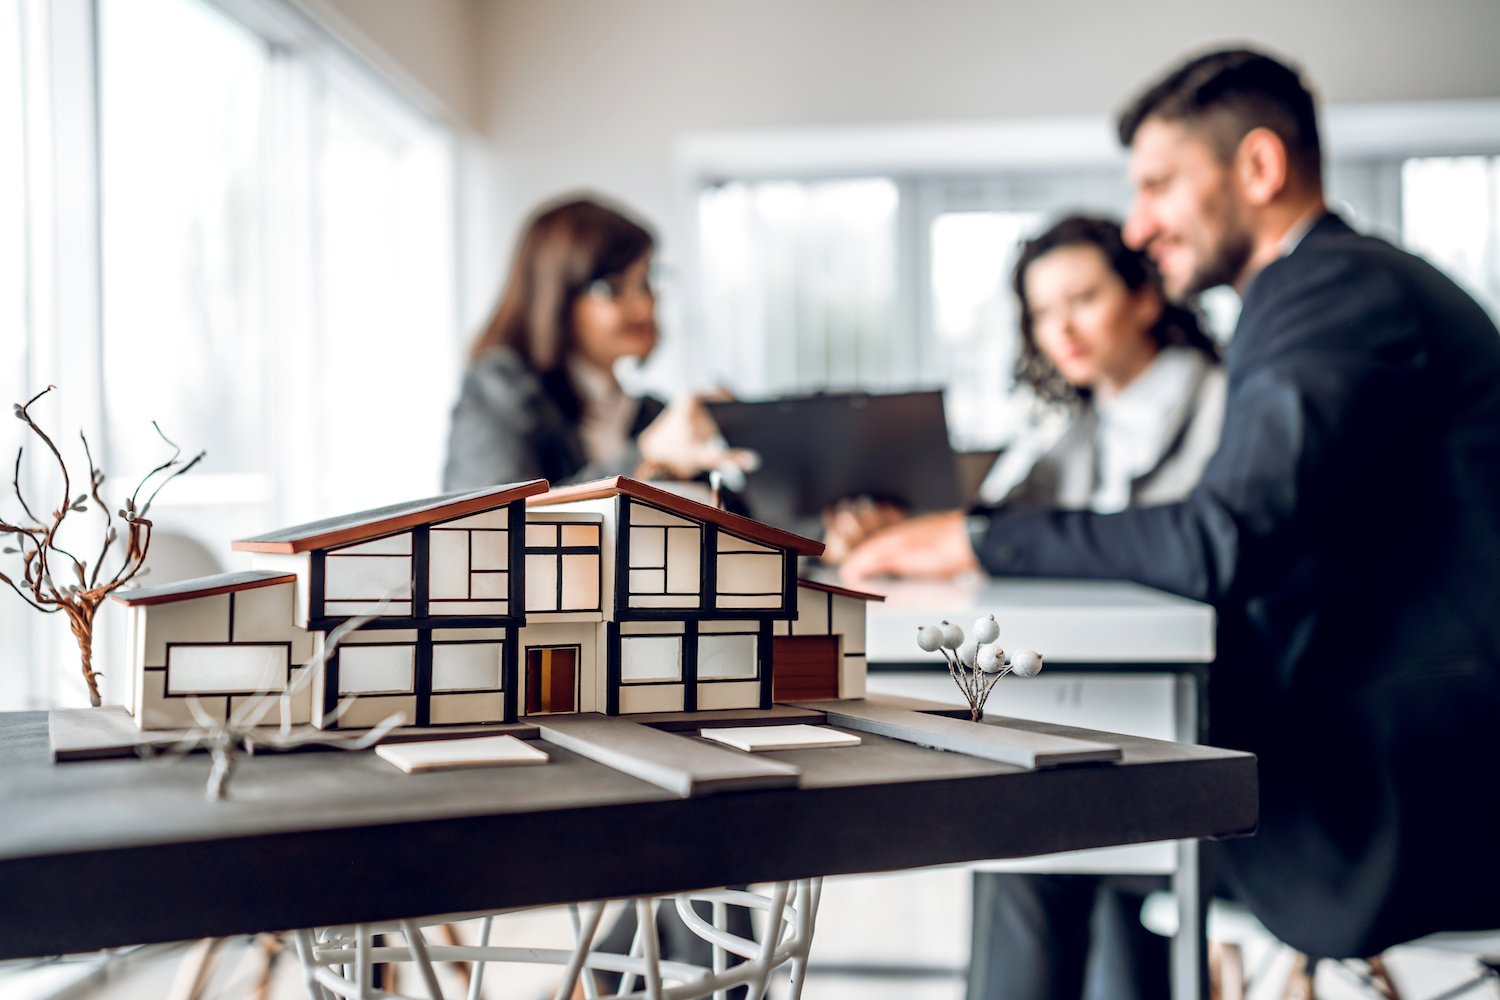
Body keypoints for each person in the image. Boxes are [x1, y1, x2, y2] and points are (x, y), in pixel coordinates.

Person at [843, 46, 1500, 964]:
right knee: (1074, 794)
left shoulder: (1329, 290)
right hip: (1399, 737)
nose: (1139, 224)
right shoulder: (1331, 288)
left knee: (1043, 808)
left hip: (1409, 784)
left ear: (1259, 168)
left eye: (1158, 184)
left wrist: (976, 539)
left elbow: (1221, 539)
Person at [826, 213, 1226, 1000]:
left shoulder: (1216, 404)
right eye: (1042, 312)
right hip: (1092, 704)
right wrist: (906, 532)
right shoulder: (1068, 425)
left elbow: (1177, 548)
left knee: (1031, 842)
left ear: (1147, 296)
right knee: (1023, 828)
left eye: (1082, 298)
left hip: (1202, 714)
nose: (1061, 329)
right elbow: (999, 530)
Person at [443, 195, 741, 492]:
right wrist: (646, 458)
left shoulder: (647, 414)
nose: (644, 306)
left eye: (646, 282)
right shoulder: (499, 389)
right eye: (614, 288)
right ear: (557, 296)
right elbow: (494, 521)